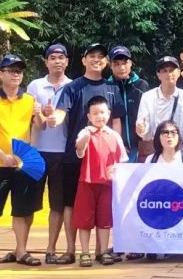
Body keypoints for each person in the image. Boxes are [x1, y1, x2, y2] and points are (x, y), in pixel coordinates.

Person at [53, 42, 125, 255]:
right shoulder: (72, 87)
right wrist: (51, 118)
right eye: (91, 55)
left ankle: (100, 251)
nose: (96, 59)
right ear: (83, 60)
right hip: (75, 156)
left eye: (101, 56)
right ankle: (71, 249)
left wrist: (116, 156)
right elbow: (60, 114)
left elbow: (117, 123)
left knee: (103, 206)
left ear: (106, 62)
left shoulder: (112, 88)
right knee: (71, 204)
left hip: (104, 161)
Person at [0, 53, 43, 268]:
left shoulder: (31, 101)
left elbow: (39, 127)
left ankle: (22, 251)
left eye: (19, 71)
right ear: (0, 74)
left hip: (23, 164)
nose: (16, 75)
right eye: (11, 70)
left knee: (22, 209)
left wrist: (42, 115)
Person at [26, 42, 75, 264]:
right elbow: (29, 119)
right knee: (29, 201)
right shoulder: (35, 86)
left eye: (61, 57)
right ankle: (22, 248)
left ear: (67, 61)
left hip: (62, 153)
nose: (57, 61)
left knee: (58, 204)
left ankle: (50, 248)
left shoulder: (74, 86)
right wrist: (41, 116)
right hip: (36, 151)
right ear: (46, 61)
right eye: (52, 57)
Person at [73, 96, 127, 267]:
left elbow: (122, 161)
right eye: (95, 113)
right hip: (87, 182)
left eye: (102, 112)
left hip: (107, 184)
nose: (99, 116)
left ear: (109, 114)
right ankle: (84, 252)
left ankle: (103, 251)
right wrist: (85, 138)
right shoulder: (85, 132)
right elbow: (79, 149)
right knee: (84, 220)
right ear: (89, 116)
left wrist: (116, 170)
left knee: (104, 220)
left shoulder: (115, 135)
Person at [136, 56, 183, 162]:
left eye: (172, 70)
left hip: (179, 153)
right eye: (164, 71)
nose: (169, 74)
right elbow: (144, 130)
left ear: (179, 72)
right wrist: (141, 129)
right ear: (158, 74)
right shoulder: (147, 97)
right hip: (155, 153)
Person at [107, 45, 149, 162]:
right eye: (116, 64)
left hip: (140, 148)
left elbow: (148, 115)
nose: (121, 67)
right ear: (110, 65)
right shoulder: (106, 87)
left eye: (125, 63)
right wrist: (118, 145)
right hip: (113, 148)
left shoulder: (141, 85)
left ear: (131, 63)